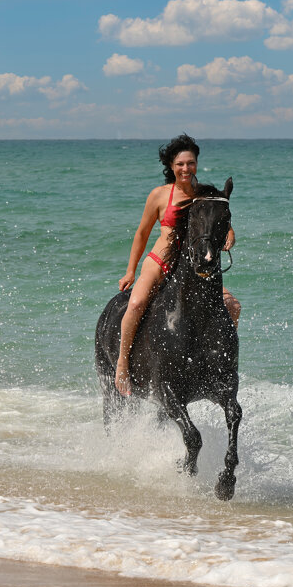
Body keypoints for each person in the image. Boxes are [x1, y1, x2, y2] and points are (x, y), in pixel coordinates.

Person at [115, 133, 240, 397]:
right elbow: (141, 234)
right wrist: (130, 270)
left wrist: (229, 235)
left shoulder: (205, 195)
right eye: (180, 164)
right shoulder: (160, 195)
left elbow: (221, 222)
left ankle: (221, 364)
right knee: (135, 304)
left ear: (197, 164)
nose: (186, 169)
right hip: (160, 262)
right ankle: (122, 364)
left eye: (191, 163)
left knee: (233, 306)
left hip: (193, 267)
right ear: (171, 166)